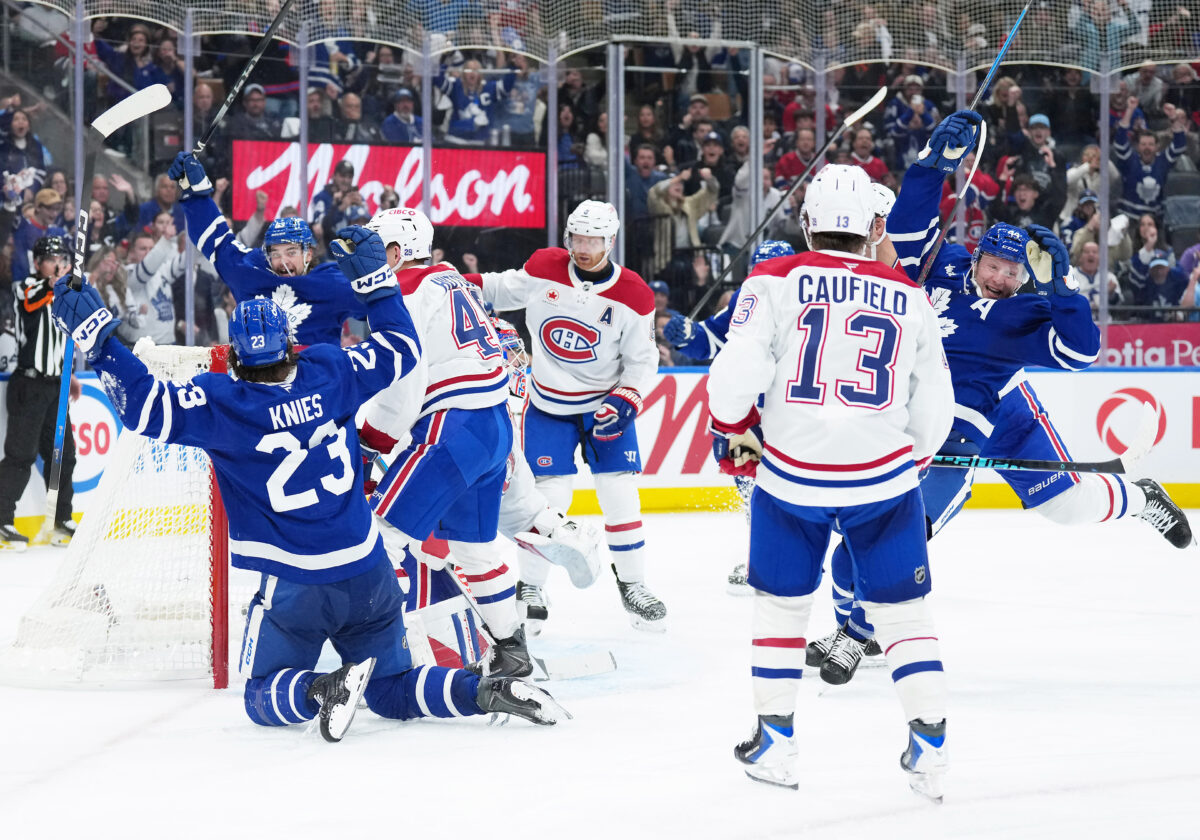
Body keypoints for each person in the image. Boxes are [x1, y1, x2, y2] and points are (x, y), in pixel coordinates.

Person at [49, 229, 569, 738]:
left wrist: (98, 339)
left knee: (261, 696)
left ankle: (326, 687)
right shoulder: (328, 369)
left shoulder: (220, 404)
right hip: (368, 571)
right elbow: (400, 348)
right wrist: (378, 284)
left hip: (296, 582)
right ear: (291, 345)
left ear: (235, 353)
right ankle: (481, 691)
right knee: (392, 688)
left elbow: (142, 405)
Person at [811, 111, 1194, 687]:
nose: (1002, 278)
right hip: (925, 416)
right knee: (874, 526)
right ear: (979, 255)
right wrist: (930, 166)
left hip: (999, 419)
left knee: (1063, 508)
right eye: (995, 266)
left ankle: (1136, 499)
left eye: (1015, 272)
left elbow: (1081, 352)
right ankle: (854, 629)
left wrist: (1062, 286)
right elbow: (906, 232)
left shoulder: (1030, 306)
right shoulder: (941, 270)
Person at [706, 163, 955, 798]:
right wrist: (914, 460)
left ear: (807, 222)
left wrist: (735, 424)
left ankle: (775, 743)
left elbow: (733, 376)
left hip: (793, 480)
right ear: (876, 226)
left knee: (782, 609)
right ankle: (929, 750)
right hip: (885, 480)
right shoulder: (913, 298)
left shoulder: (774, 279)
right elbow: (935, 409)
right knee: (904, 614)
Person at [462, 200, 667, 630]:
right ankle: (532, 586)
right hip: (548, 409)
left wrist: (628, 396)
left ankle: (633, 584)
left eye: (594, 240)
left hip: (605, 410)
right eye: (577, 238)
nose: (584, 248)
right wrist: (446, 282)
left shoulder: (633, 294)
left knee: (620, 495)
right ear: (567, 236)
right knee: (548, 501)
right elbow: (499, 288)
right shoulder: (544, 267)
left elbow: (642, 361)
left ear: (611, 241)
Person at [354, 207, 531, 678]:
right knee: (474, 551)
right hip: (494, 429)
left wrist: (370, 440)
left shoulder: (405, 295)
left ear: (396, 253)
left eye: (373, 251)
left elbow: (404, 385)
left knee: (382, 535)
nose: (363, 263)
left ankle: (383, 656)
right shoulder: (450, 278)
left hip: (450, 427)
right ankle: (512, 649)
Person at [168, 152, 367, 346]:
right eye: (275, 253)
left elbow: (383, 303)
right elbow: (216, 239)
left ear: (308, 253)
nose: (283, 261)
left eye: (291, 252)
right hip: (260, 377)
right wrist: (194, 192)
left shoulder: (333, 283)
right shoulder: (251, 273)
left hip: (317, 376)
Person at [0, 236, 77, 550]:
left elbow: (65, 337)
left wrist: (68, 373)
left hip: (55, 385)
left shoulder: (65, 293)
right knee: (21, 455)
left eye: (62, 257)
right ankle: (3, 519)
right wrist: (58, 281)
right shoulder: (25, 287)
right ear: (37, 262)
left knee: (64, 456)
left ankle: (61, 520)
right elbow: (33, 303)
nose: (57, 263)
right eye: (51, 258)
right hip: (29, 385)